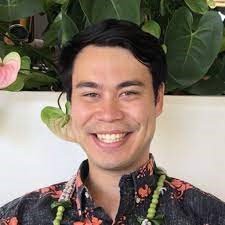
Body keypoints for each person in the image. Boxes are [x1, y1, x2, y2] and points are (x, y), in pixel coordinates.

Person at [0, 19, 225, 225]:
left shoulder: (209, 216)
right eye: (91, 94)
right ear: (71, 104)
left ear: (157, 99)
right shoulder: (18, 217)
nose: (109, 114)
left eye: (128, 93)